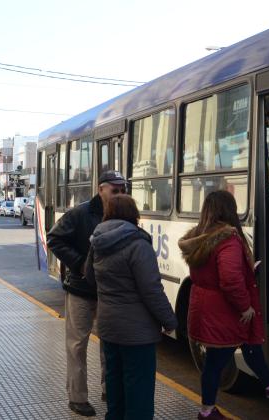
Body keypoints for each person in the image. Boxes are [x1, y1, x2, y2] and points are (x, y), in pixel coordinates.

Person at [179, 191, 269, 420]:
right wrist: (245, 307)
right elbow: (230, 279)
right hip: (224, 310)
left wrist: (246, 270)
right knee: (216, 362)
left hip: (206, 307)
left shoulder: (199, 237)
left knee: (245, 343)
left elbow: (211, 273)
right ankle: (207, 411)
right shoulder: (227, 239)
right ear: (228, 210)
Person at [84, 195, 177, 420]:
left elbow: (89, 277)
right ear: (133, 214)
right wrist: (170, 321)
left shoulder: (97, 241)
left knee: (115, 386)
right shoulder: (138, 244)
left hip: (108, 328)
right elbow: (151, 289)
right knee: (139, 392)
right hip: (137, 333)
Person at [47, 170, 128, 417]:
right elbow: (54, 239)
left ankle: (109, 388)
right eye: (115, 190)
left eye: (123, 190)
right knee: (77, 345)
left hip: (108, 292)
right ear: (101, 189)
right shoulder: (80, 213)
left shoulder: (122, 214)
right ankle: (77, 397)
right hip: (81, 290)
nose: (120, 194)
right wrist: (81, 263)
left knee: (110, 344)